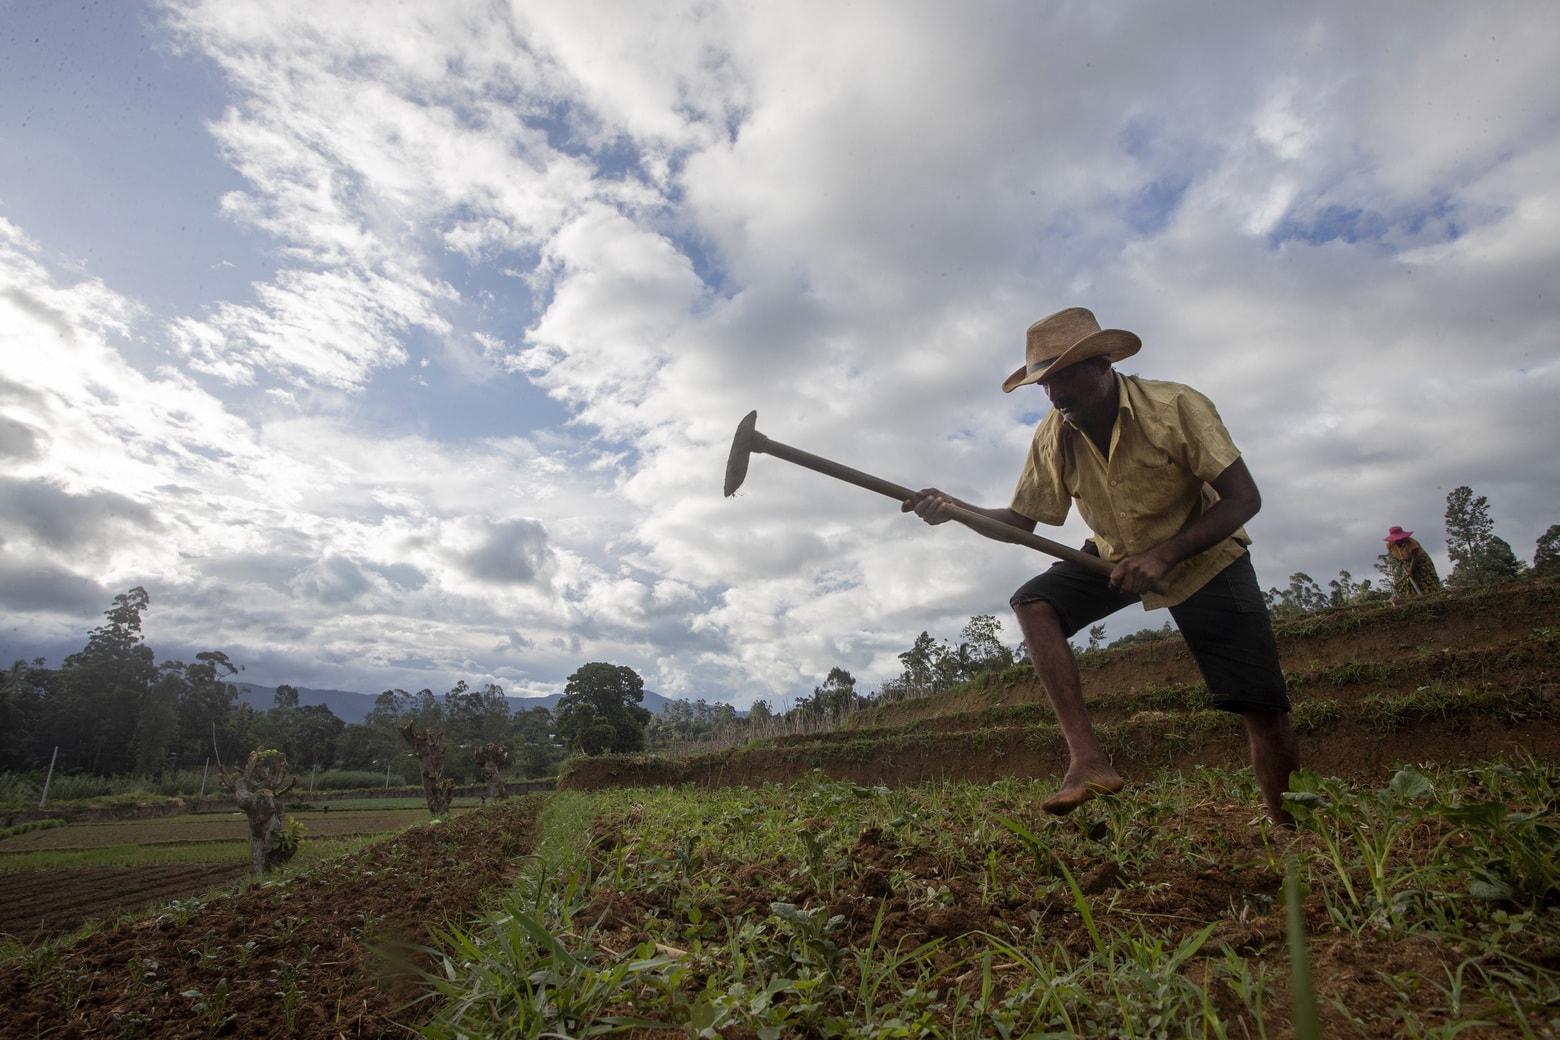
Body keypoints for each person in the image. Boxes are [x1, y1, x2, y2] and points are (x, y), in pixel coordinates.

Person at [904, 307, 1299, 826]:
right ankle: (1086, 760)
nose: (1054, 394)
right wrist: (957, 510)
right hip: (1114, 556)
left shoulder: (1175, 406)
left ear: (1102, 364)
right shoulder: (1054, 434)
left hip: (1206, 559)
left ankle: (1289, 825)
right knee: (1035, 601)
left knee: (1262, 708)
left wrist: (1164, 554)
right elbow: (1021, 523)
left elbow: (1243, 498)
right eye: (1044, 384)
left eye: (1063, 377)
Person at [1383, 526, 1442, 605]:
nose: (1399, 540)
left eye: (1400, 538)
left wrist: (1411, 571)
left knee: (1425, 580)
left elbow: (1415, 558)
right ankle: (1414, 600)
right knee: (1409, 582)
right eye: (1397, 539)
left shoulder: (1412, 543)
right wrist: (1400, 561)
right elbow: (1393, 554)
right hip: (1406, 563)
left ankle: (1432, 598)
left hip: (1421, 562)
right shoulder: (1390, 545)